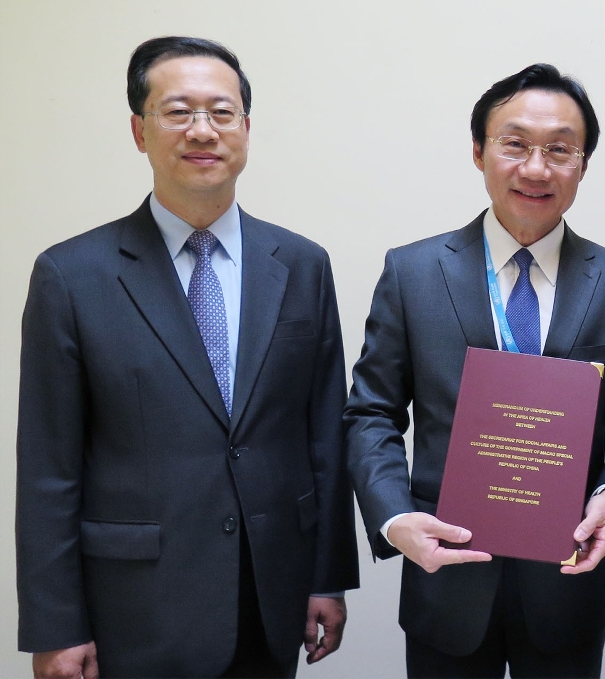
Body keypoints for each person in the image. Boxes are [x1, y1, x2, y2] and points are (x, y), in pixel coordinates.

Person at [16, 37, 360, 678]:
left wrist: (328, 577)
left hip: (270, 595)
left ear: (247, 130)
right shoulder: (71, 275)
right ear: (139, 131)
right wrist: (55, 625)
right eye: (178, 111)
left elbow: (322, 435)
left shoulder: (302, 266)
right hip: (136, 608)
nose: (202, 130)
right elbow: (47, 470)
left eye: (221, 112)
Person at [343, 63, 605, 678]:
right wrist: (393, 518)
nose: (537, 168)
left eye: (560, 150)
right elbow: (370, 413)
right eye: (515, 144)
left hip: (567, 585)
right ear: (479, 152)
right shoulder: (412, 273)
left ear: (583, 163)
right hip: (445, 578)